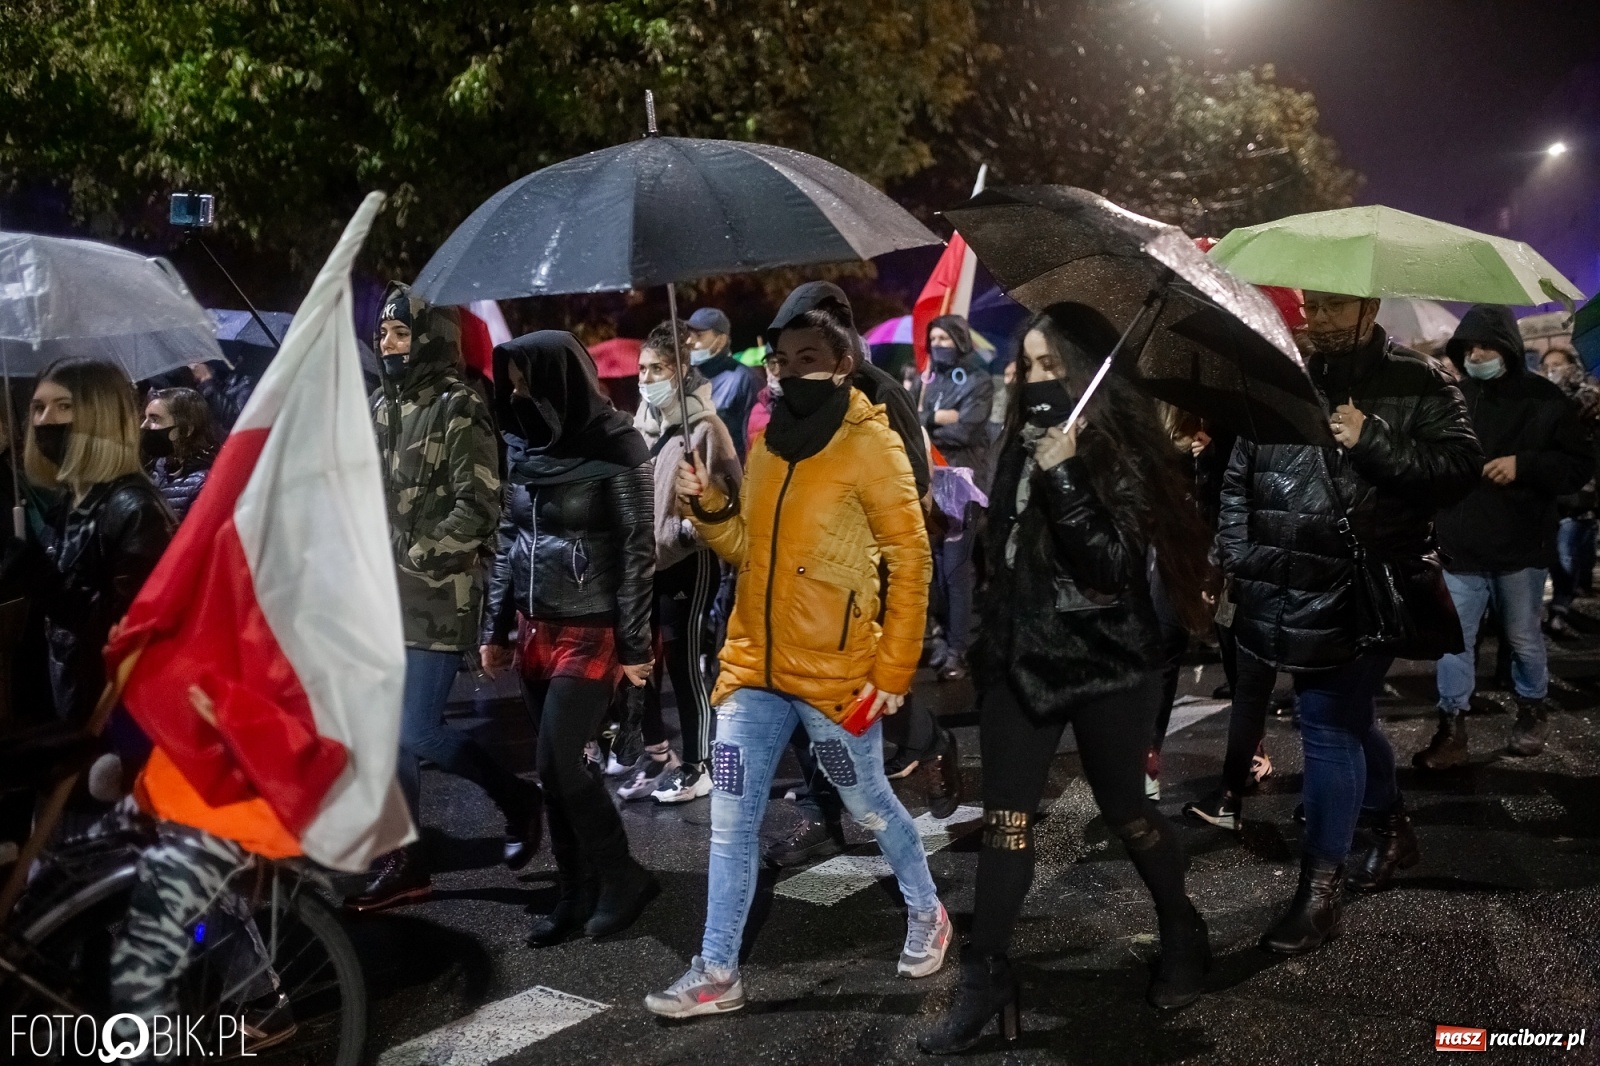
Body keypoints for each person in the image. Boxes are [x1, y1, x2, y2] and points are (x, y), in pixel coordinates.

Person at [919, 307, 1217, 1055]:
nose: (1032, 379)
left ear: (1088, 377)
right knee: (1007, 821)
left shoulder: (1124, 450)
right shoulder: (1017, 443)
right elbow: (1005, 555)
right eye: (1027, 365)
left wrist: (1069, 474)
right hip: (1023, 659)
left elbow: (1109, 569)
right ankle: (986, 976)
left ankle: (1181, 925)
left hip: (1110, 661)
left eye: (1051, 367)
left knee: (1126, 810)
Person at [645, 293, 947, 1019]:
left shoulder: (871, 444)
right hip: (751, 671)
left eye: (808, 360)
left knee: (865, 800)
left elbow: (911, 560)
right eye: (781, 362)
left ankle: (928, 909)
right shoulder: (769, 442)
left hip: (837, 681)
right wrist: (710, 505)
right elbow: (751, 550)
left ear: (844, 364)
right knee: (730, 814)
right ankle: (717, 969)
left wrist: (893, 672)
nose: (788, 374)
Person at [1217, 290, 1480, 956]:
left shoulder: (1418, 381)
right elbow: (1238, 475)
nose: (1319, 319)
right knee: (1353, 720)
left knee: (1327, 719)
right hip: (1283, 582)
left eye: (1336, 308)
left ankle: (1318, 891)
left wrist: (1375, 441)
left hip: (1366, 587)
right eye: (1313, 306)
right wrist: (1243, 555)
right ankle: (1390, 824)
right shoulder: (1281, 375)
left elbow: (1456, 473)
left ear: (1369, 308)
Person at [346, 285, 542, 914]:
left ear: (429, 338)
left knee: (419, 729)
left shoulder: (459, 407)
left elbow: (480, 505)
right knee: (390, 736)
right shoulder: (381, 407)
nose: (388, 345)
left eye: (400, 335)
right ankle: (404, 859)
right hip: (382, 596)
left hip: (437, 594)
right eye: (383, 335)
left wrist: (415, 555)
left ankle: (517, 798)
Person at [478, 331, 659, 947]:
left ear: (559, 377)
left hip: (592, 626)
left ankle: (622, 877)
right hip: (534, 626)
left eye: (526, 376)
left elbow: (639, 551)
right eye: (511, 378)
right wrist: (495, 626)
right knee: (554, 771)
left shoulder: (617, 443)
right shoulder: (522, 441)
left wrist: (636, 648)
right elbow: (508, 539)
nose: (516, 389)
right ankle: (574, 891)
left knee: (560, 762)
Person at [1413, 306, 1592, 767]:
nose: (1476, 354)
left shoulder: (1547, 401)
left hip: (1520, 548)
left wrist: (1524, 465)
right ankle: (1451, 728)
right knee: (1455, 642)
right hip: (1460, 546)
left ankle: (1531, 710)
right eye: (1469, 347)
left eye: (1485, 346)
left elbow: (1578, 467)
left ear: (1508, 349)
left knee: (1523, 637)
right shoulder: (1452, 397)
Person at [10, 359, 174, 731]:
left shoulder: (135, 511)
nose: (44, 420)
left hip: (108, 721)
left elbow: (129, 637)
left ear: (100, 415)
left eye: (63, 406)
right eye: (38, 407)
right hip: (62, 702)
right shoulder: (70, 501)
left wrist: (45, 582)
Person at [620, 319, 742, 804]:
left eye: (658, 368)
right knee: (639, 661)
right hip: (643, 566)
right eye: (643, 369)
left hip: (687, 564)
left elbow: (732, 496)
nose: (648, 378)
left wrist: (688, 527)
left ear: (681, 370)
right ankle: (659, 754)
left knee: (685, 664)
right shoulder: (639, 425)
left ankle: (699, 764)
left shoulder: (705, 426)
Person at [919, 315, 995, 683]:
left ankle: (958, 650)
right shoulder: (931, 381)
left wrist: (929, 423)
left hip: (964, 486)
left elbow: (967, 429)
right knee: (934, 571)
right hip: (934, 486)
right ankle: (944, 638)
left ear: (960, 340)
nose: (938, 344)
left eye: (944, 337)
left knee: (956, 571)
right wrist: (936, 417)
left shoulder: (979, 379)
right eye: (932, 337)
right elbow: (916, 423)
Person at [1538, 345, 1600, 637]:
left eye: (1558, 364)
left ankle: (1559, 611)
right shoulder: (1540, 401)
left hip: (1581, 495)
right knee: (1556, 558)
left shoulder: (1589, 400)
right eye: (1547, 366)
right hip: (1550, 495)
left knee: (1569, 557)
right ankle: (1558, 611)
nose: (1553, 370)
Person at [687, 307, 759, 466]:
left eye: (699, 335)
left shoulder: (744, 379)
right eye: (689, 335)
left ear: (720, 340)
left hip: (730, 474)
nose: (690, 342)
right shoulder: (687, 378)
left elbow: (754, 436)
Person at [141, 386, 217, 522]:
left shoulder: (203, 483)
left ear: (186, 430)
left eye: (154, 419)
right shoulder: (154, 467)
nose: (143, 425)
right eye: (145, 418)